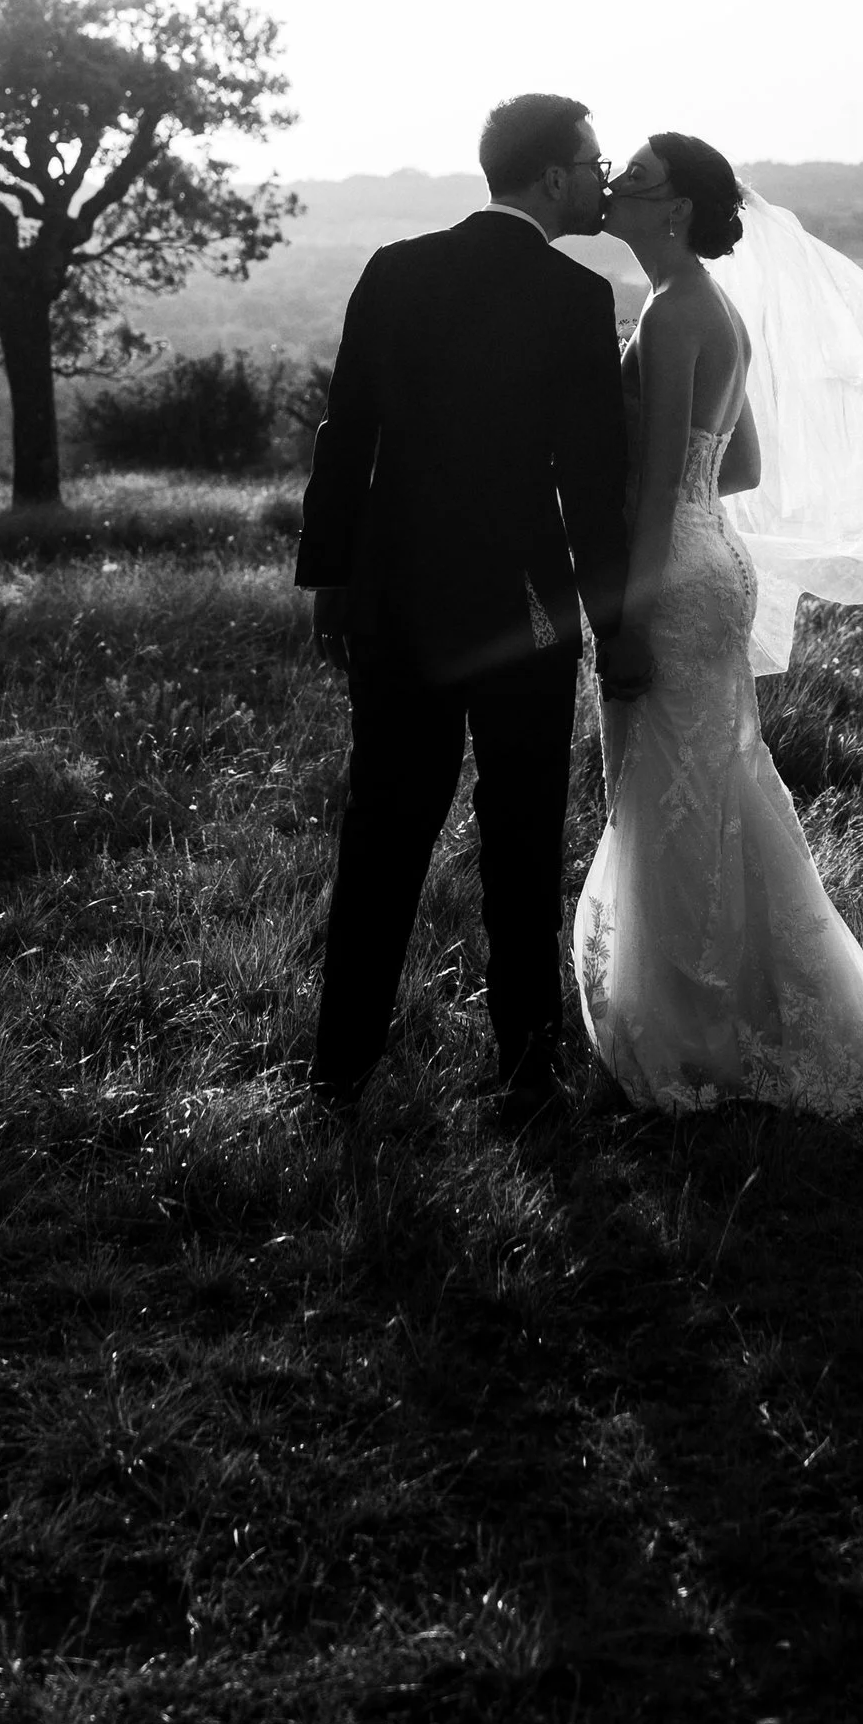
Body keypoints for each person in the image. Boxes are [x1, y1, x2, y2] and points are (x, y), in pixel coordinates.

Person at [573, 132, 863, 1116]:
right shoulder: (706, 308)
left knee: (671, 796)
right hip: (713, 559)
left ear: (676, 210)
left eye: (636, 179)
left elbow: (659, 488)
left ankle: (697, 1030)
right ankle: (756, 1008)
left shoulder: (670, 314)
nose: (614, 185)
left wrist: (620, 614)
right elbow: (733, 470)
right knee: (709, 785)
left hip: (670, 577)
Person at [298, 93, 634, 1115]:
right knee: (522, 833)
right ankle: (527, 1068)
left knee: (382, 831)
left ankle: (339, 1068)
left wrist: (328, 583)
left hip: (393, 599)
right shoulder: (576, 297)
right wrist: (614, 627)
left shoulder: (394, 271)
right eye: (591, 161)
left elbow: (344, 438)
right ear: (548, 178)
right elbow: (590, 482)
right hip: (522, 613)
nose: (601, 177)